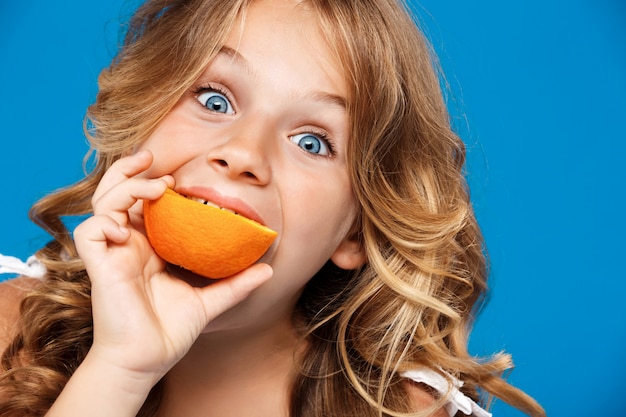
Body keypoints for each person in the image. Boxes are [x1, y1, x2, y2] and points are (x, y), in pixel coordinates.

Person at [0, 0, 546, 416]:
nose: (242, 155)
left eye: (312, 142)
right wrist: (119, 368)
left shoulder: (411, 410)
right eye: (215, 100)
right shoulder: (12, 328)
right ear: (141, 120)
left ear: (354, 233)